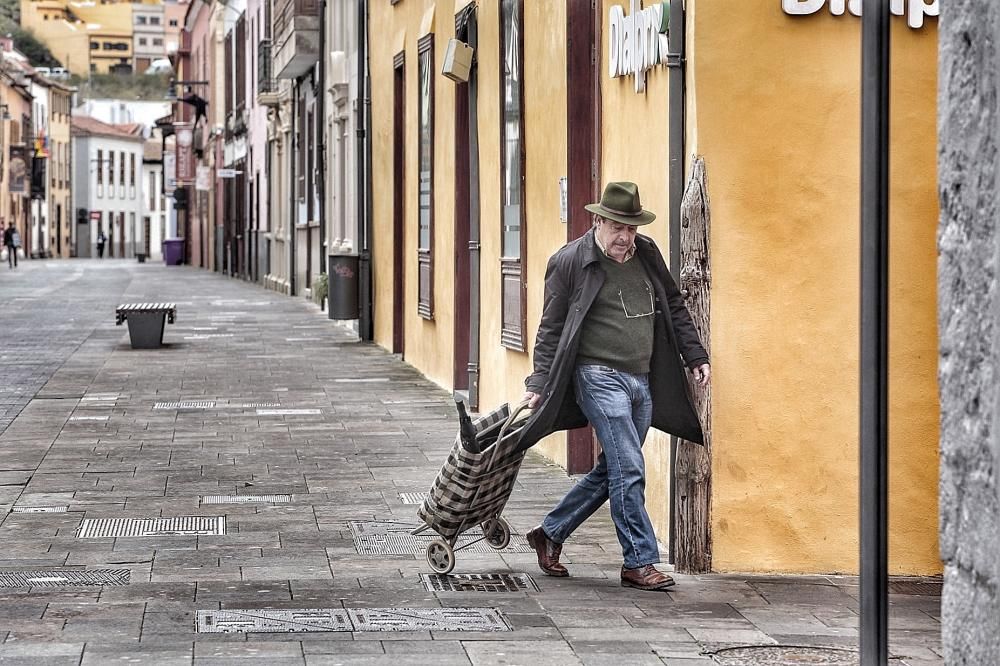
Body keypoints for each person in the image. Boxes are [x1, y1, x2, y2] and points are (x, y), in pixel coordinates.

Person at [518, 181, 711, 592]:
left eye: (632, 229)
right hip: (597, 376)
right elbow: (551, 328)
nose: (625, 238)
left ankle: (550, 532)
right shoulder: (571, 261)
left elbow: (673, 303)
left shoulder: (647, 254)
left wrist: (695, 355)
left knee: (616, 468)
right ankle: (638, 561)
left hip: (641, 378)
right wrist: (538, 381)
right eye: (618, 228)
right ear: (599, 221)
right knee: (631, 467)